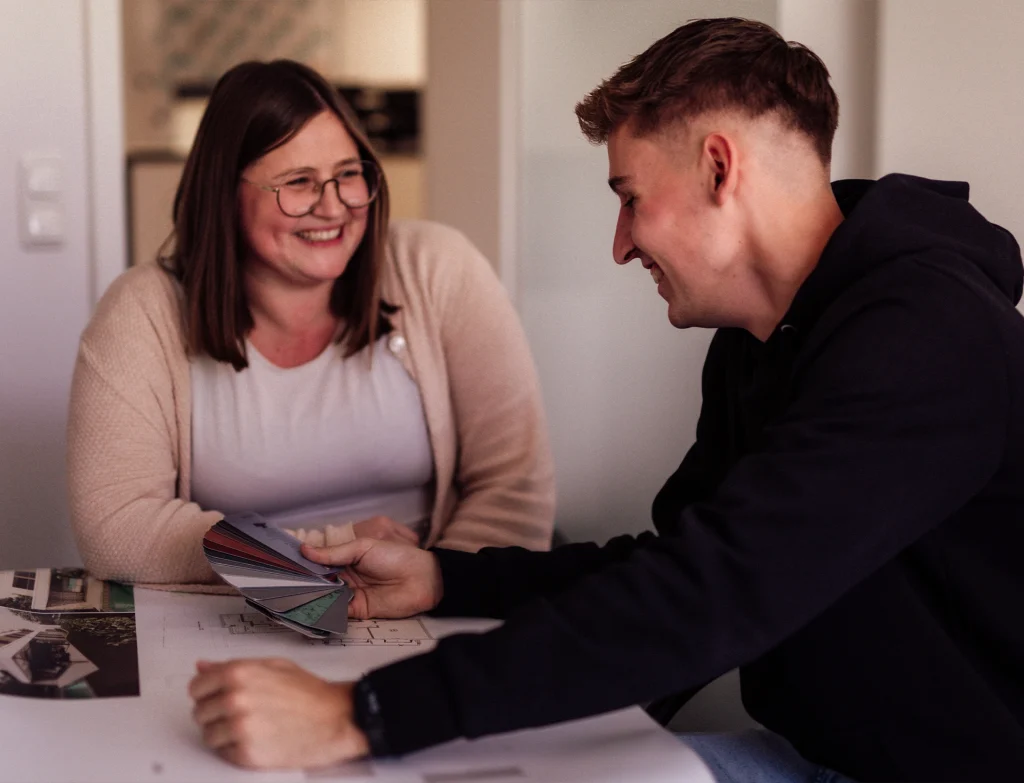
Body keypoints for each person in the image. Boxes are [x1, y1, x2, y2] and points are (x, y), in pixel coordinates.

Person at [187, 18, 1024, 782]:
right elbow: (670, 562)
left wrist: (359, 713)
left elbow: (711, 593)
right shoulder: (759, 337)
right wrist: (445, 579)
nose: (620, 245)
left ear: (719, 167)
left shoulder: (930, 335)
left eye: (629, 198)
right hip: (816, 758)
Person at [67, 60, 555, 586]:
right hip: (245, 612)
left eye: (348, 174)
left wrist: (435, 586)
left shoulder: (437, 267)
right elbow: (118, 526)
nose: (333, 207)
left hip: (435, 599)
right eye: (298, 182)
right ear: (225, 194)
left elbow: (514, 487)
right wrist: (317, 554)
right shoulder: (142, 311)